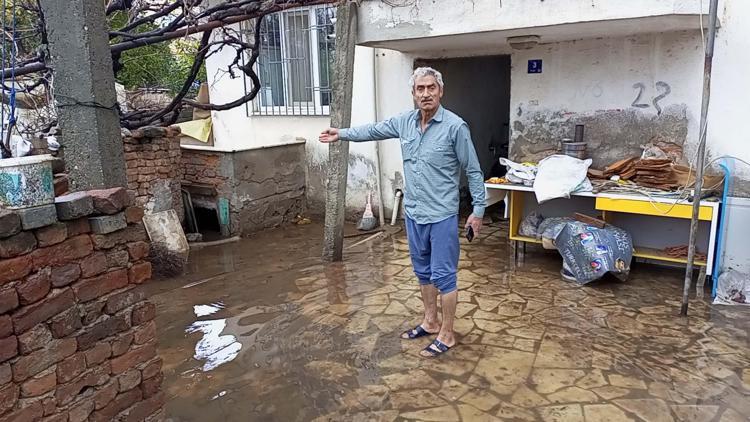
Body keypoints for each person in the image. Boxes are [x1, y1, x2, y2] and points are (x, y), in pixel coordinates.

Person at [319, 67, 486, 357]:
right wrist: (341, 134)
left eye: (431, 88)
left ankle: (447, 334)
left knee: (444, 276)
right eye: (420, 89)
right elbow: (373, 129)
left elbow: (473, 170)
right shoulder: (405, 123)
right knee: (423, 272)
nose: (425, 94)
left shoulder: (455, 127)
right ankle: (430, 322)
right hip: (414, 213)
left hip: (442, 215)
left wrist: (479, 209)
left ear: (440, 91)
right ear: (413, 94)